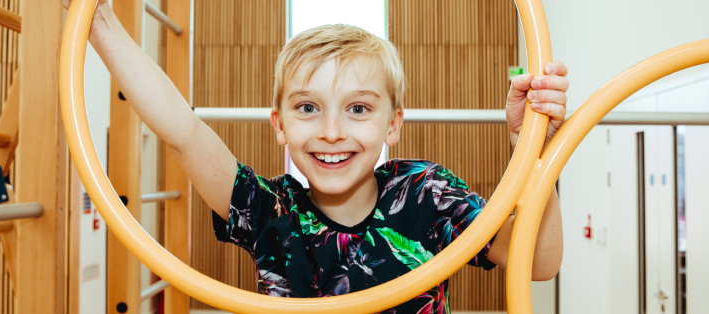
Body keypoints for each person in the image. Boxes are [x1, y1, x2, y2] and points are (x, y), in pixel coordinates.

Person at [68, 0, 567, 312]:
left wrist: (536, 146)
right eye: (308, 108)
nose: (332, 132)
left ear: (392, 124)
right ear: (280, 125)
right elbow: (182, 131)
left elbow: (539, 262)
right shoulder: (271, 210)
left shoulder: (425, 194)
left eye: (357, 109)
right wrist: (101, 26)